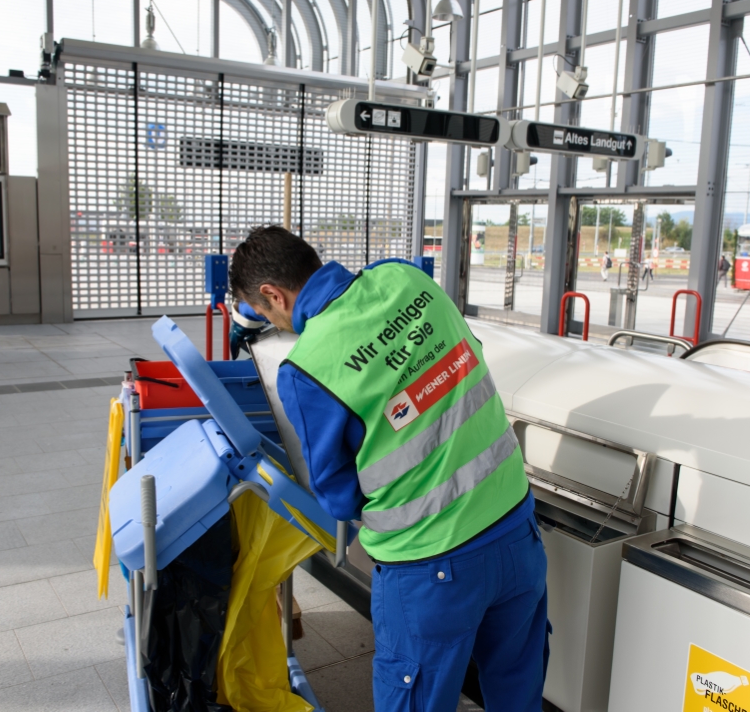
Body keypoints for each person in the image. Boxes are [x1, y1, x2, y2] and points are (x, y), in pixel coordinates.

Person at [228, 226, 549, 712]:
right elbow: (464, 360)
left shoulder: (307, 368)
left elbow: (337, 496)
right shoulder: (406, 279)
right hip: (516, 530)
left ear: (273, 294)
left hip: (432, 567)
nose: (269, 319)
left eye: (265, 310)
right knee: (517, 691)